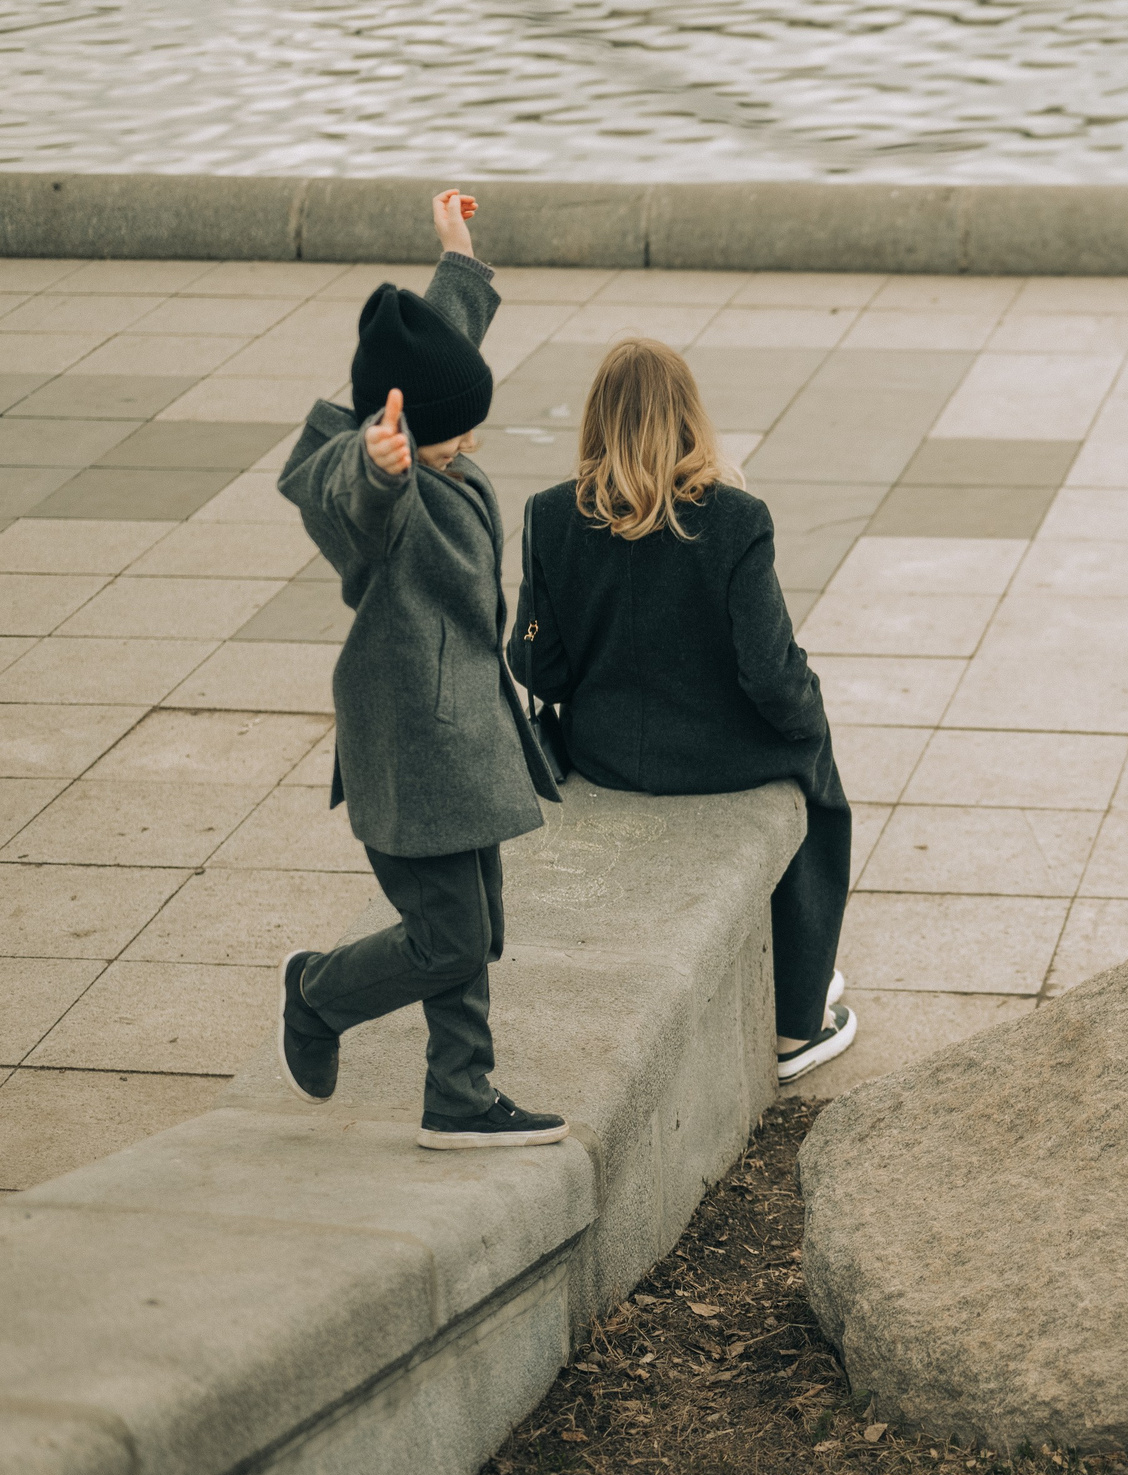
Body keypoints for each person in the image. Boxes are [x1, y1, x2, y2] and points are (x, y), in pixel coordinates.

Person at [275, 189, 570, 1149]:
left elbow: (428, 360)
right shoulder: (391, 495)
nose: (466, 442)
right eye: (450, 431)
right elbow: (338, 492)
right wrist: (377, 463)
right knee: (447, 934)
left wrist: (458, 261)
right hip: (415, 742)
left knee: (471, 931)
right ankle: (318, 995)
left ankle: (458, 1094)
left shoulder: (433, 439)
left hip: (463, 735)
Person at [509, 337, 857, 1084]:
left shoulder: (550, 517)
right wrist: (809, 715)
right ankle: (798, 1021)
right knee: (818, 784)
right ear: (688, 416)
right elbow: (769, 671)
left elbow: (538, 664)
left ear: (596, 421)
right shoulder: (735, 519)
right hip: (721, 756)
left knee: (805, 745)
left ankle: (799, 979)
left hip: (606, 750)